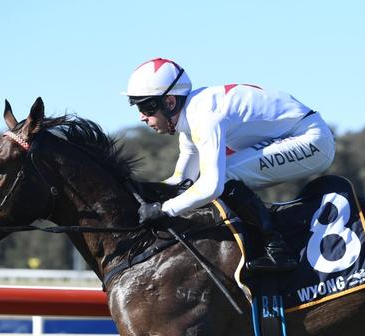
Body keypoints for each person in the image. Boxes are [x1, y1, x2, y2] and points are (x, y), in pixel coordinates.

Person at [123, 57, 335, 273]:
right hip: (296, 134)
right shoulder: (190, 118)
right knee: (216, 177)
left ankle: (277, 248)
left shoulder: (203, 117)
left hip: (313, 140)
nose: (142, 117)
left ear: (170, 103)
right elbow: (182, 181)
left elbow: (211, 186)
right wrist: (139, 195)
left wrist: (164, 210)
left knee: (225, 175)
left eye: (146, 107)